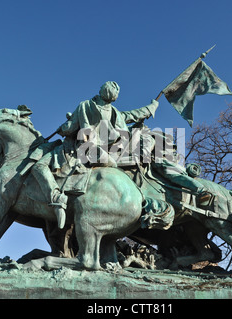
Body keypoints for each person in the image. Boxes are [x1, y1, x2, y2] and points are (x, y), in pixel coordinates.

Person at [30, 81, 159, 228]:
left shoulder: (85, 105)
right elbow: (135, 115)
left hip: (81, 149)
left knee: (39, 166)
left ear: (102, 91)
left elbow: (70, 128)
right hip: (104, 154)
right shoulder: (115, 113)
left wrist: (63, 127)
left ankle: (57, 198)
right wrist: (152, 107)